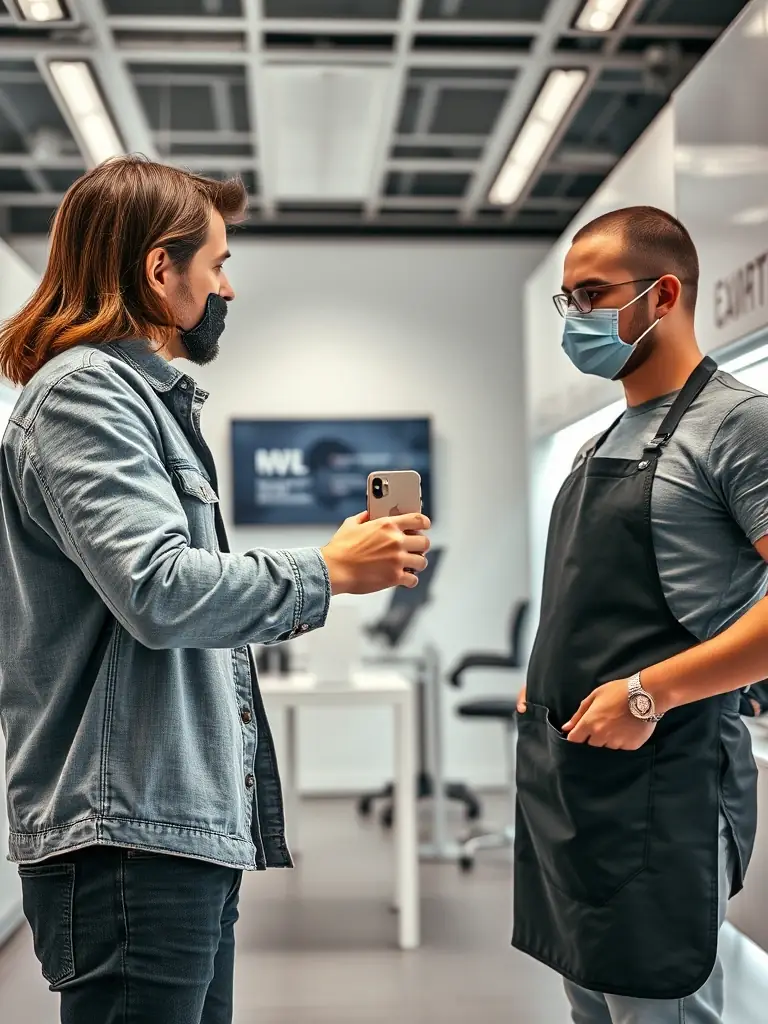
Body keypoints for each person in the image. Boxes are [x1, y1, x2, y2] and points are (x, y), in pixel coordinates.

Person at [0, 157, 430, 1024]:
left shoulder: (141, 402)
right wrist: (327, 571)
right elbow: (158, 590)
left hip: (164, 830)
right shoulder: (85, 393)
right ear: (162, 270)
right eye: (219, 264)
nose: (228, 287)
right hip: (126, 838)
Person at [515, 206, 764, 1024]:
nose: (575, 319)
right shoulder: (601, 440)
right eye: (567, 301)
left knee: (663, 1004)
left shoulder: (737, 426)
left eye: (591, 295)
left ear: (663, 295)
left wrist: (651, 692)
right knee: (597, 1005)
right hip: (576, 783)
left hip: (668, 786)